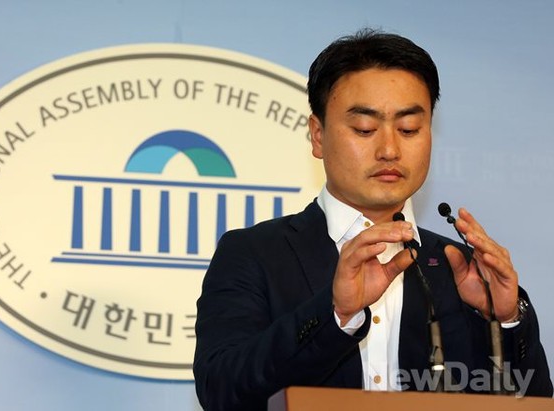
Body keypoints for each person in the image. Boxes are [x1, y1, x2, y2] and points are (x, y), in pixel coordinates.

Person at [193, 28, 553, 410]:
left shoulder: (462, 271)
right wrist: (336, 313)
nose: (389, 149)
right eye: (365, 129)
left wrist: (505, 321)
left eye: (409, 129)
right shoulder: (254, 253)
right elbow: (222, 391)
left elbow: (529, 401)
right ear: (318, 135)